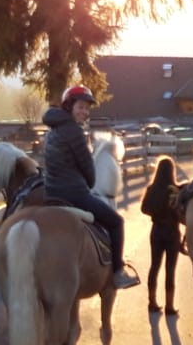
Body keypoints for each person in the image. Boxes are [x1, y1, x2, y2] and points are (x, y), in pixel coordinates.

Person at [42, 85, 139, 289]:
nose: (85, 112)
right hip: (75, 195)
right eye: (81, 107)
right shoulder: (74, 131)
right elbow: (89, 170)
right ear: (69, 106)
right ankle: (118, 272)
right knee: (116, 222)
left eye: (87, 108)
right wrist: (87, 183)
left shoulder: (52, 130)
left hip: (51, 194)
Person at [139, 156, 183, 315]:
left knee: (154, 266)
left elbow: (143, 209)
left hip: (156, 231)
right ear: (172, 171)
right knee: (170, 270)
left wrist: (155, 213)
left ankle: (152, 302)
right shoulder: (175, 191)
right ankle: (169, 305)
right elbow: (181, 214)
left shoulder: (152, 189)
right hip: (172, 233)